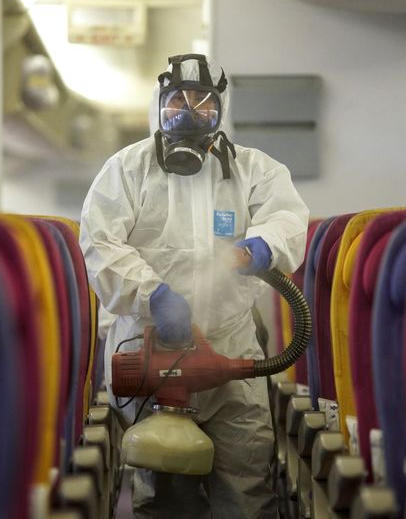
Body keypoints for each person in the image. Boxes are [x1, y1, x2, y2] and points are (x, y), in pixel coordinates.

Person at [79, 53, 309, 518]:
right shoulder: (126, 169)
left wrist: (261, 245)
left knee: (246, 484)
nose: (188, 112)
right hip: (148, 345)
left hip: (230, 347)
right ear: (158, 106)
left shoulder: (254, 170)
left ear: (221, 109)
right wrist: (153, 294)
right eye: (176, 101)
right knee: (163, 492)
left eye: (202, 103)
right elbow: (99, 243)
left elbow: (288, 218)